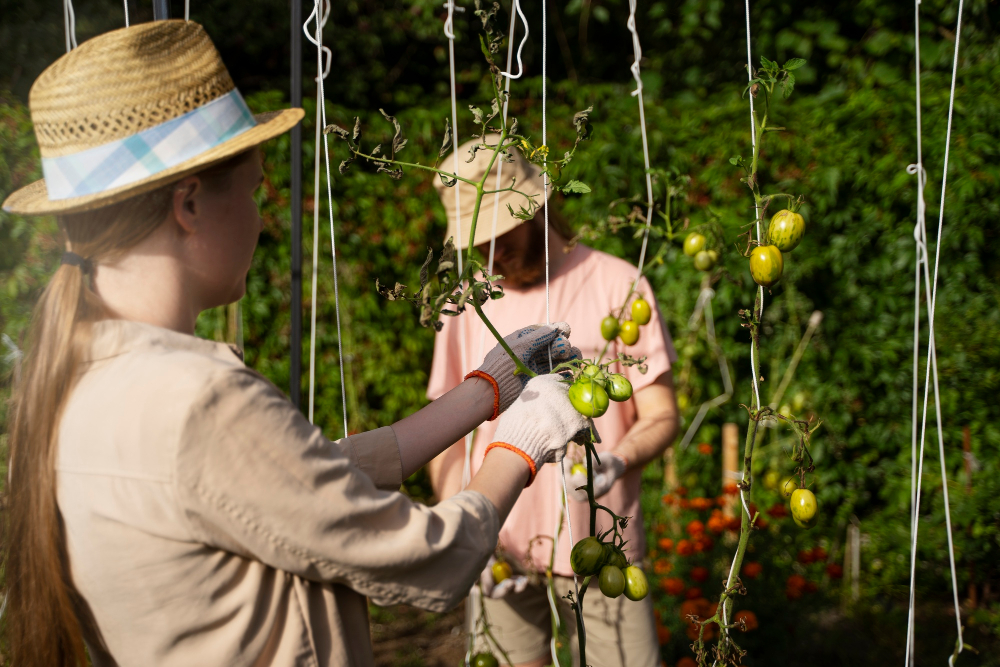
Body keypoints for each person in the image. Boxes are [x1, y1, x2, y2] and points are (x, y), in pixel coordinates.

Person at [1, 22, 590, 667]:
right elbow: (428, 559)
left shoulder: (84, 378)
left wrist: (488, 389)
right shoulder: (198, 400)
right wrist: (523, 443)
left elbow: (304, 483)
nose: (262, 214)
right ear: (189, 205)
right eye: (254, 190)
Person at [427, 138, 681, 667]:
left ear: (537, 206)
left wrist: (619, 459)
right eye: (480, 242)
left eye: (502, 233)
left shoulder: (617, 285)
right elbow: (441, 437)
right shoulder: (466, 303)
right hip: (497, 548)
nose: (492, 254)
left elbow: (660, 415)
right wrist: (461, 524)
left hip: (601, 550)